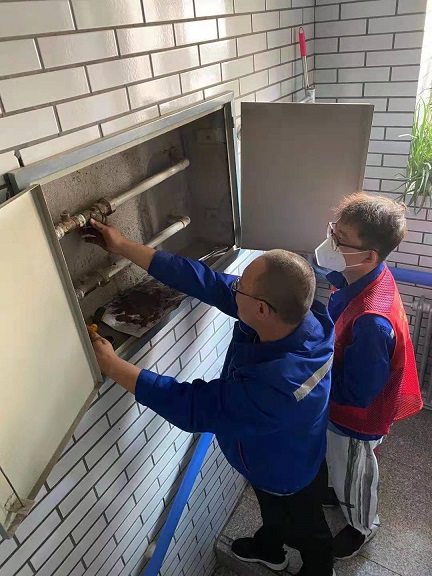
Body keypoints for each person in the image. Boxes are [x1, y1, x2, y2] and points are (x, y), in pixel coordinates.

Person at [85, 219, 336, 576]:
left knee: (307, 530)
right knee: (273, 512)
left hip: (285, 470)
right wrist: (122, 245)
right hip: (279, 450)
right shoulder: (298, 318)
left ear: (262, 309)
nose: (234, 288)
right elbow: (207, 281)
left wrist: (112, 365)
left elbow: (191, 405)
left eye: (241, 287)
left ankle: (319, 569)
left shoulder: (278, 385)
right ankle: (270, 549)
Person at [315, 192, 423, 560]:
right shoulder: (363, 275)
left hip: (358, 416)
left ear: (369, 256)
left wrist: (311, 379)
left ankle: (362, 525)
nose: (331, 242)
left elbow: (358, 393)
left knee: (357, 471)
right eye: (333, 230)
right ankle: (339, 489)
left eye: (341, 239)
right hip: (353, 399)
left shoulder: (372, 322)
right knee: (342, 463)